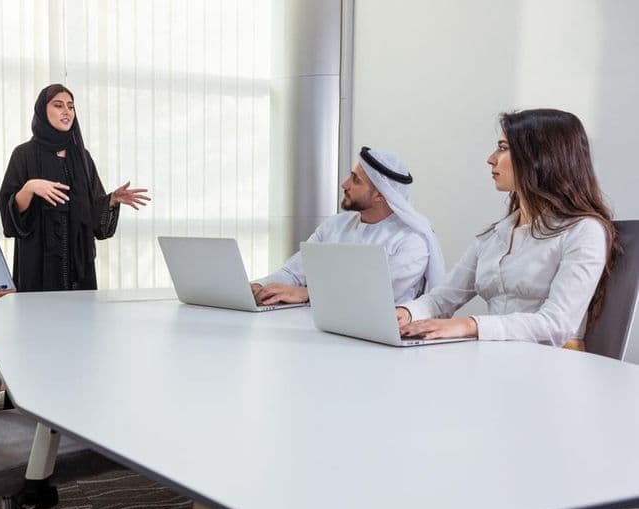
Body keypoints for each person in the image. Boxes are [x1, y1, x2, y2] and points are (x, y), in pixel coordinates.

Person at [396, 109, 618, 349]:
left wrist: (470, 325)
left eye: (503, 148)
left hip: (552, 364)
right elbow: (442, 299)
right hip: (496, 358)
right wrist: (405, 313)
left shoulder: (584, 231)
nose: (491, 158)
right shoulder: (494, 236)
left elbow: (557, 324)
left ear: (539, 156)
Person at [0, 83, 150, 292]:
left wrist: (112, 200)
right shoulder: (24, 154)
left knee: (80, 322)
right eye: (58, 105)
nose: (66, 111)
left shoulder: (82, 157)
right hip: (37, 266)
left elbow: (94, 217)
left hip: (79, 270)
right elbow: (10, 218)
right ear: (43, 111)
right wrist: (30, 187)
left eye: (70, 106)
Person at [252, 147, 445, 306]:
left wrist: (307, 293)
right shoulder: (334, 226)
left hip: (378, 338)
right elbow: (292, 273)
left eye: (356, 180)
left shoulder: (412, 241)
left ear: (380, 195)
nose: (345, 184)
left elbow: (373, 295)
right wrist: (259, 286)